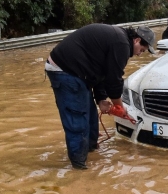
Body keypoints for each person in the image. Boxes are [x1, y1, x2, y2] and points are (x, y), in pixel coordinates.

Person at [45, 24, 156, 169]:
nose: (139, 54)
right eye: (141, 50)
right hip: (64, 71)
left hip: (79, 73)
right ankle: (79, 168)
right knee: (78, 121)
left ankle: (91, 153)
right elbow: (114, 82)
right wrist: (120, 107)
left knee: (91, 119)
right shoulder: (122, 44)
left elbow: (102, 73)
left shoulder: (119, 40)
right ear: (136, 40)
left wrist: (101, 100)